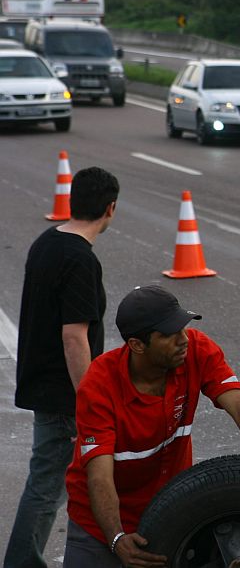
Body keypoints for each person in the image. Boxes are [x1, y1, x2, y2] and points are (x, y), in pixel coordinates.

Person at [62, 285, 240, 567]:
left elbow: (238, 403)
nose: (183, 339)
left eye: (183, 328)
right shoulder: (99, 386)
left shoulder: (196, 349)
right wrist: (116, 538)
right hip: (101, 526)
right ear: (137, 344)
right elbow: (99, 476)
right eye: (169, 334)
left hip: (171, 512)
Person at [5, 166, 119, 568]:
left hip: (44, 383)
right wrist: (88, 397)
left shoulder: (47, 243)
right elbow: (74, 336)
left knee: (50, 483)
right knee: (50, 485)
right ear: (110, 208)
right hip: (64, 393)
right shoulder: (80, 260)